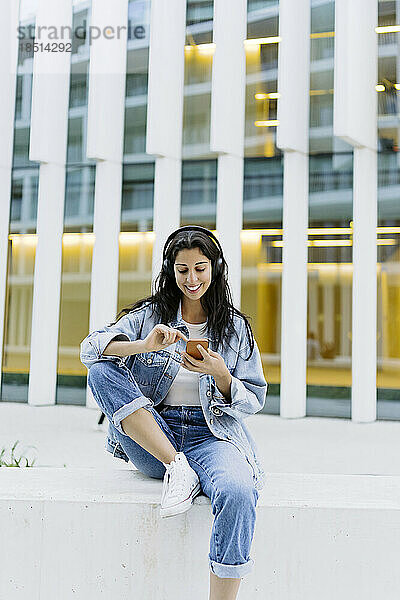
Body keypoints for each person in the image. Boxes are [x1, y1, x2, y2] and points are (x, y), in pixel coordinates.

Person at [80, 225, 268, 600]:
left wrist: (222, 375)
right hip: (156, 439)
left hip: (212, 434)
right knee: (102, 369)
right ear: (171, 271)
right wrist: (141, 345)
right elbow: (90, 349)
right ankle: (178, 468)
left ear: (215, 268)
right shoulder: (150, 316)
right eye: (183, 270)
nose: (192, 279)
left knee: (238, 491)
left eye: (200, 268)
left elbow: (254, 398)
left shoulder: (235, 329)